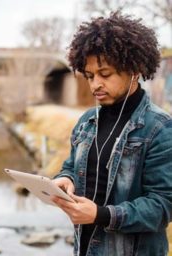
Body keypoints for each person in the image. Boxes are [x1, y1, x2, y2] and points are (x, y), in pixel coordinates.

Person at [51, 11, 172, 256]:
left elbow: (163, 206)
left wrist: (101, 215)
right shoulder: (87, 122)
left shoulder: (160, 127)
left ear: (134, 70)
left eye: (105, 74)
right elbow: (72, 166)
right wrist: (66, 179)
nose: (95, 84)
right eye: (90, 76)